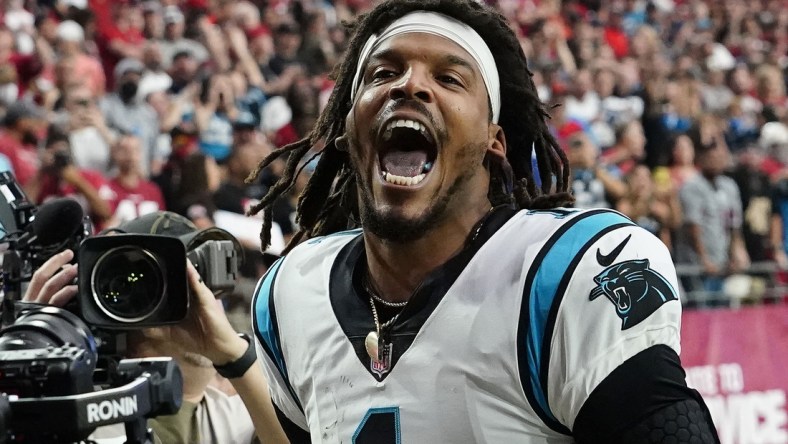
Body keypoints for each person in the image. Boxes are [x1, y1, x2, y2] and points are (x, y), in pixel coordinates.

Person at [164, 0, 719, 442]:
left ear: (494, 143)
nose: (410, 86)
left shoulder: (565, 272)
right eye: (383, 72)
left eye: (450, 79)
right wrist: (225, 358)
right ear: (347, 132)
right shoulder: (292, 288)